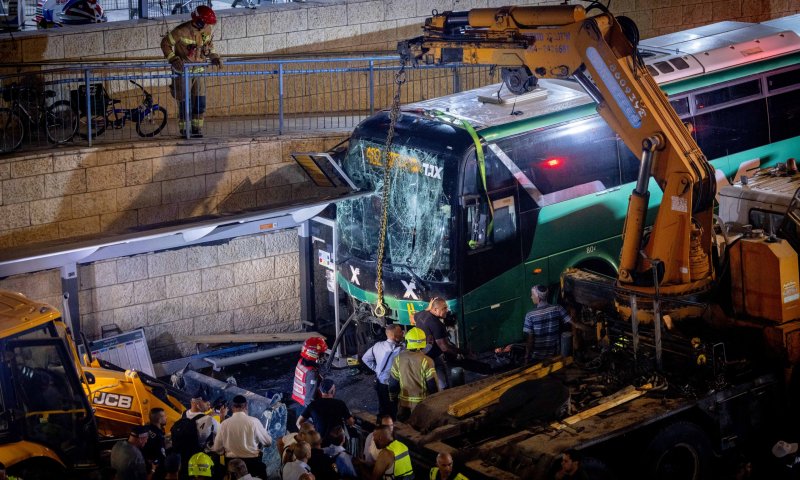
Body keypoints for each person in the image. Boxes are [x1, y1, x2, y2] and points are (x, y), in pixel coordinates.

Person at [160, 5, 223, 138]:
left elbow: (209, 47)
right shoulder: (180, 31)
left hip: (199, 72)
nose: (208, 25)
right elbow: (165, 43)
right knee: (184, 102)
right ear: (199, 20)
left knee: (200, 101)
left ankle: (197, 129)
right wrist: (173, 59)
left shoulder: (207, 29)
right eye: (206, 22)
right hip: (183, 73)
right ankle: (185, 130)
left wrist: (215, 57)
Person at [212, 394, 271, 480]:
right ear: (246, 406)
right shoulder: (254, 422)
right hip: (252, 464)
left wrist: (223, 451)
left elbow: (217, 448)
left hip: (231, 467)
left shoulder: (224, 424)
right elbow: (268, 442)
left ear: (232, 407)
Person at [414, 297, 468, 390]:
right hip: (433, 357)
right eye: (444, 308)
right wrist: (462, 351)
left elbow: (413, 316)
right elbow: (444, 348)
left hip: (422, 355)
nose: (447, 310)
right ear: (435, 309)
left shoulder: (421, 314)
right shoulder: (437, 324)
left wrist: (427, 309)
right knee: (442, 382)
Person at [389, 327, 438, 421]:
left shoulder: (399, 359)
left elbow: (393, 383)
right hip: (422, 405)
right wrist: (436, 401)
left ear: (407, 342)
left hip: (404, 404)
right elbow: (432, 385)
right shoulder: (426, 360)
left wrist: (393, 398)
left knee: (403, 429)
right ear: (423, 342)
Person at [171, 392, 221, 480]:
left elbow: (195, 419)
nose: (209, 405)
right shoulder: (209, 420)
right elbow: (221, 433)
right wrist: (222, 416)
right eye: (206, 402)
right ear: (198, 404)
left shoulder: (183, 414)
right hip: (199, 461)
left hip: (183, 459)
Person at [362, 324, 404, 419]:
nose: (402, 333)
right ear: (394, 336)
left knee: (383, 407)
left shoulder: (377, 346)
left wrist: (377, 369)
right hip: (393, 384)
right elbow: (415, 355)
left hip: (380, 383)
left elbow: (365, 358)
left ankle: (381, 427)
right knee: (394, 408)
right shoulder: (400, 350)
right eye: (400, 332)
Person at [524, 285, 573, 363]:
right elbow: (574, 323)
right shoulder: (558, 308)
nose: (531, 297)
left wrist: (526, 357)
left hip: (537, 358)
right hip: (554, 356)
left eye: (532, 295)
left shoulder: (530, 315)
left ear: (538, 297)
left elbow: (530, 340)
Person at [297, 378, 355, 443]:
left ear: (320, 391)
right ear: (333, 390)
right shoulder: (340, 404)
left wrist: (310, 435)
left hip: (319, 443)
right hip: (337, 443)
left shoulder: (313, 405)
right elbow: (350, 422)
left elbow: (298, 423)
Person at [292, 337, 328, 413]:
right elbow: (309, 398)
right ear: (313, 354)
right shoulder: (312, 373)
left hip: (297, 398)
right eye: (322, 354)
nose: (323, 357)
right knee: (329, 385)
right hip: (305, 404)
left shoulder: (301, 361)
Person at [143, 407, 167, 480]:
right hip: (154, 472)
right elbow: (161, 457)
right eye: (164, 416)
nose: (166, 417)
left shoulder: (145, 428)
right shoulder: (158, 436)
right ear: (159, 419)